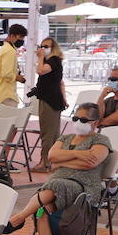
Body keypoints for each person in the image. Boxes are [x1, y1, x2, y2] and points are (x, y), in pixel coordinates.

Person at [1, 103, 110, 235]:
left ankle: (18, 218)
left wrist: (62, 162)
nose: (78, 122)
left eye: (83, 119)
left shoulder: (100, 140)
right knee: (42, 210)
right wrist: (78, 154)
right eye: (75, 118)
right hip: (58, 184)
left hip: (84, 186)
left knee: (54, 184)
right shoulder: (65, 138)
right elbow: (51, 157)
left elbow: (93, 161)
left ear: (95, 122)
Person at [31, 37, 66, 169]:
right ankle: (53, 161)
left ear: (53, 48)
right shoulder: (53, 61)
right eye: (42, 46)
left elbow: (40, 71)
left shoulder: (53, 61)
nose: (43, 48)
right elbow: (60, 82)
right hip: (52, 99)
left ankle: (45, 162)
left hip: (50, 100)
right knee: (53, 133)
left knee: (48, 133)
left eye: (46, 46)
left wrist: (39, 58)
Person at [0, 24, 26, 108]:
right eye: (20, 37)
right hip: (6, 95)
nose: (22, 40)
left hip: (0, 93)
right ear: (12, 36)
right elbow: (6, 74)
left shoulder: (4, 49)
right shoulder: (9, 51)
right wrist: (18, 77)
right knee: (9, 121)